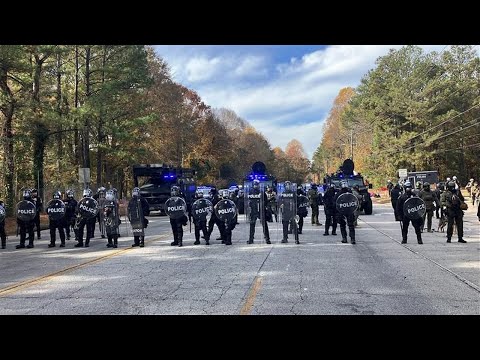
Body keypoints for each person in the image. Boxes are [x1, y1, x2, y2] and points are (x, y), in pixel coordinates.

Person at [247, 179, 271, 244]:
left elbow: (266, 201)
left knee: (264, 225)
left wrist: (263, 206)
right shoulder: (251, 192)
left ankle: (267, 239)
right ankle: (251, 239)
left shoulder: (262, 192)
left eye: (256, 185)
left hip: (261, 210)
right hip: (254, 210)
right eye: (255, 185)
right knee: (252, 225)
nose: (256, 186)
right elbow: (248, 200)